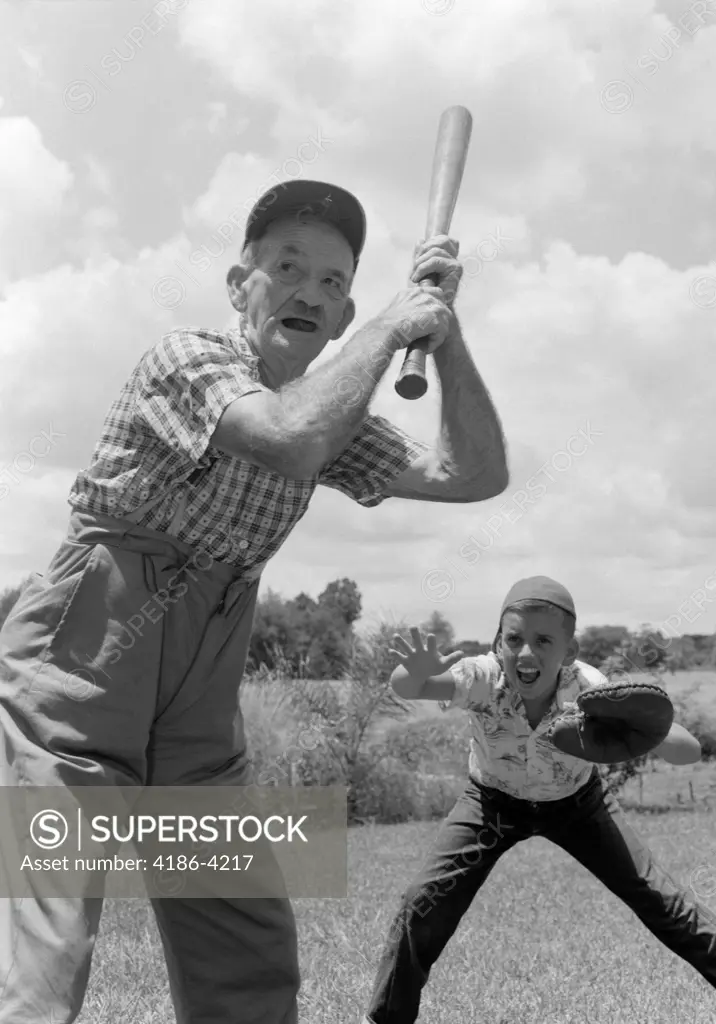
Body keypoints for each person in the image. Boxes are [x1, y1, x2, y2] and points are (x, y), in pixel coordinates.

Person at [0, 179, 508, 1024]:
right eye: (288, 266)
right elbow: (285, 436)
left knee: (243, 932)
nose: (310, 290)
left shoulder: (333, 408)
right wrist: (392, 322)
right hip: (91, 650)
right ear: (242, 286)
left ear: (340, 318)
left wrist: (442, 334)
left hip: (205, 664)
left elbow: (474, 475)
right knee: (56, 916)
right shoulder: (187, 359)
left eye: (334, 282)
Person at [362, 575, 716, 1024]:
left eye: (543, 641)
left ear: (569, 652)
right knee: (424, 901)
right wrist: (418, 669)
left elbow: (687, 750)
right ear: (498, 643)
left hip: (577, 806)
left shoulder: (590, 690)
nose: (526, 653)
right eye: (513, 639)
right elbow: (407, 686)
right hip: (490, 805)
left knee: (666, 903)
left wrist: (647, 732)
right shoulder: (481, 677)